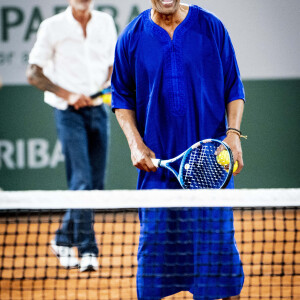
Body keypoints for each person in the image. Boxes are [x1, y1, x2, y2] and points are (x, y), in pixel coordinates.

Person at [112, 0, 245, 299]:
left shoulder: (212, 27)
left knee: (218, 255)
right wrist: (135, 143)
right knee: (154, 256)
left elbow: (233, 87)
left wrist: (233, 133)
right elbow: (121, 98)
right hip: (158, 171)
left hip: (210, 168)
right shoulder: (131, 37)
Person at [26, 0, 117, 272]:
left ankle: (62, 239)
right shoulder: (51, 27)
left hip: (98, 110)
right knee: (81, 182)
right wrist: (68, 95)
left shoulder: (105, 22)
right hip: (68, 113)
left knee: (95, 187)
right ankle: (88, 249)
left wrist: (105, 87)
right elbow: (33, 73)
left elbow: (113, 65)